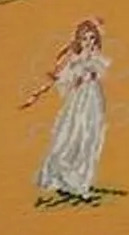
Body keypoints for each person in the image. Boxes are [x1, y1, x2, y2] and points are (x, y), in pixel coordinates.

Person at [25, 15, 113, 204]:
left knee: (90, 138)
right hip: (77, 102)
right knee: (71, 136)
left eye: (92, 38)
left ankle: (82, 182)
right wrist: (74, 77)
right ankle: (63, 177)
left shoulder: (99, 59)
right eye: (85, 38)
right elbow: (65, 81)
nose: (88, 42)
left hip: (93, 100)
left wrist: (90, 69)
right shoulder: (74, 60)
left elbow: (99, 73)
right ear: (79, 40)